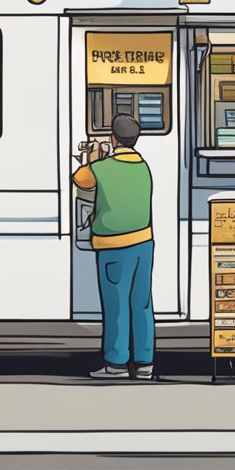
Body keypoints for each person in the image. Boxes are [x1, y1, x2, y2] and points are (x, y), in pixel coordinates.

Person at [71, 114, 155, 380]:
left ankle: (117, 363)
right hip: (144, 243)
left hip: (114, 245)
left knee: (116, 304)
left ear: (113, 139)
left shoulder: (103, 168)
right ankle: (144, 362)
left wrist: (94, 157)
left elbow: (79, 179)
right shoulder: (143, 166)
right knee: (141, 303)